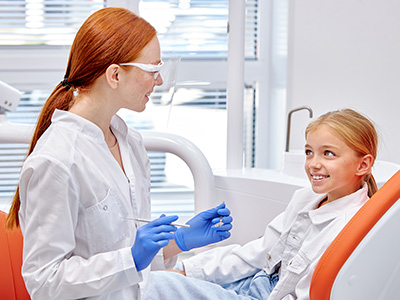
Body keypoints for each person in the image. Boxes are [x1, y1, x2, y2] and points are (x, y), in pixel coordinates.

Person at [5, 7, 232, 300]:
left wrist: (178, 240)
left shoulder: (130, 143)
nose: (159, 81)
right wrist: (132, 259)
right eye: (152, 70)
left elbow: (123, 252)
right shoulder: (57, 160)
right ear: (115, 75)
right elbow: (45, 282)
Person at [143, 108, 378, 300]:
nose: (313, 164)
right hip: (258, 282)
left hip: (272, 295)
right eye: (309, 152)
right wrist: (187, 270)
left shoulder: (350, 228)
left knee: (157, 286)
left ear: (363, 165)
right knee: (153, 280)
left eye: (328, 154)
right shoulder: (304, 198)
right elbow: (259, 253)